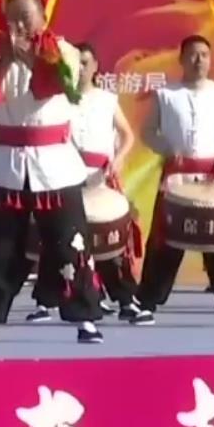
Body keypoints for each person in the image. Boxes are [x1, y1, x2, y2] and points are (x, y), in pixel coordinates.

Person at [0, 0, 104, 345]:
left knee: (69, 241)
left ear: (42, 18)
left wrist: (24, 53)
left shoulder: (63, 50)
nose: (18, 26)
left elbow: (62, 83)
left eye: (25, 17)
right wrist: (3, 58)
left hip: (54, 164)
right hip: (7, 164)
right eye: (12, 18)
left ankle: (84, 317)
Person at [137, 35, 214, 323]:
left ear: (210, 60)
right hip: (177, 177)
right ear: (181, 59)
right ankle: (148, 301)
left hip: (212, 177)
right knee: (166, 241)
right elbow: (147, 131)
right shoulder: (166, 94)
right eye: (192, 54)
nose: (198, 60)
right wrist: (167, 149)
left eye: (204, 54)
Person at [68, 42, 146, 322]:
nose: (81, 68)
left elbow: (127, 136)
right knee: (74, 242)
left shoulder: (106, 99)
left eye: (85, 62)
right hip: (69, 177)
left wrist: (119, 159)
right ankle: (74, 298)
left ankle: (125, 299)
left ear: (95, 67)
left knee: (111, 243)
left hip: (102, 177)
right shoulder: (61, 100)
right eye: (76, 63)